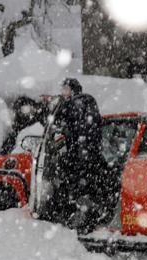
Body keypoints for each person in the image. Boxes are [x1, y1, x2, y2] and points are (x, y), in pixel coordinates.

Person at [44, 78, 106, 233]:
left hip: (83, 156)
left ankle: (80, 220)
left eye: (66, 89)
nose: (63, 92)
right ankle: (76, 218)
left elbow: (78, 124)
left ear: (73, 90)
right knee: (72, 184)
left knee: (78, 186)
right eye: (63, 89)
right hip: (80, 154)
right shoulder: (77, 104)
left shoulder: (81, 101)